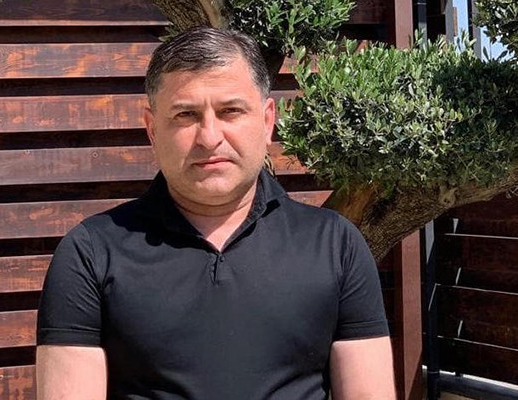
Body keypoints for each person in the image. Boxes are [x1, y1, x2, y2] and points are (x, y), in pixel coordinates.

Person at [36, 27, 395, 400]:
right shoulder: (91, 253)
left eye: (230, 111)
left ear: (268, 120)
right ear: (152, 129)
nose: (209, 137)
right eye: (186, 114)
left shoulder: (335, 245)